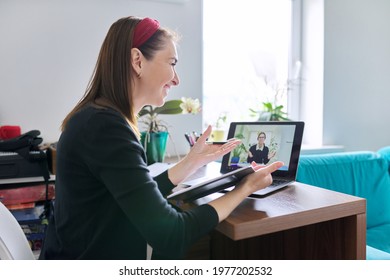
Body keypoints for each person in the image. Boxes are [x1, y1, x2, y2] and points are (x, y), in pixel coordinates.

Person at [39, 16, 283, 260]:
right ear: (137, 61)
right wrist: (244, 189)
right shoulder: (106, 128)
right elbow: (172, 233)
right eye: (172, 63)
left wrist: (190, 163)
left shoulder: (96, 118)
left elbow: (133, 195)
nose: (176, 79)